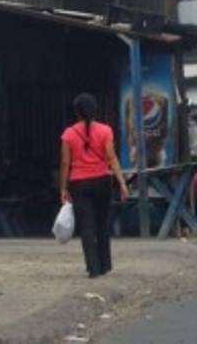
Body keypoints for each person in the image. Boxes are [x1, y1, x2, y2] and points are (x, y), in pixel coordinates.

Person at [59, 93, 130, 278]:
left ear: (77, 112)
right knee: (102, 224)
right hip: (102, 182)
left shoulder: (68, 134)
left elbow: (65, 163)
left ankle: (93, 268)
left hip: (79, 184)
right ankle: (105, 265)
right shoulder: (106, 130)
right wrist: (121, 182)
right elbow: (111, 157)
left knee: (87, 227)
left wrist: (63, 188)